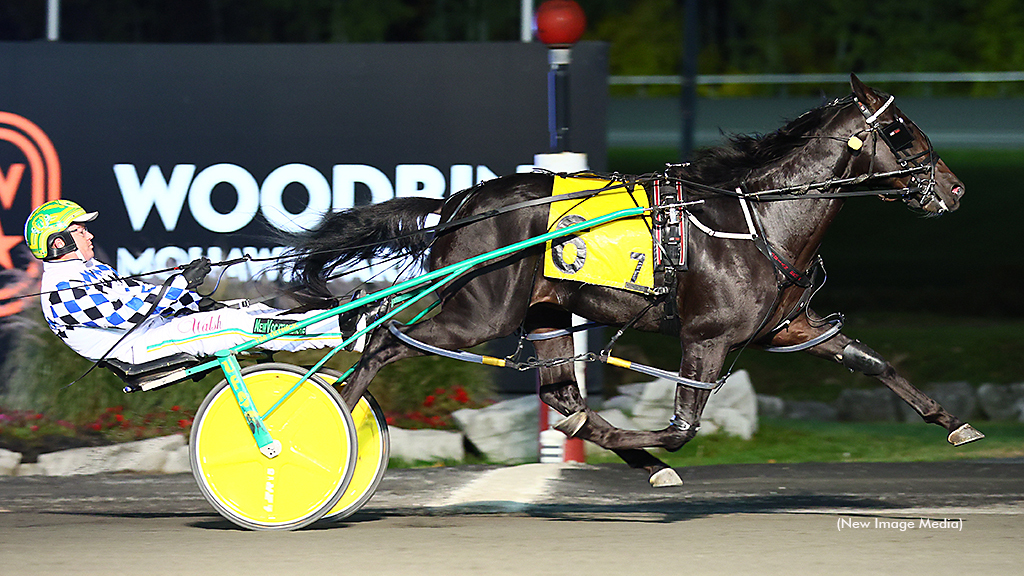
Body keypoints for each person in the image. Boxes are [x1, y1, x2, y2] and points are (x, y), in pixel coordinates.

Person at [25, 199, 369, 365]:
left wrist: (198, 299)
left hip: (155, 330)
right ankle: (341, 333)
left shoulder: (87, 269)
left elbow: (141, 295)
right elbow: (130, 314)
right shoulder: (60, 291)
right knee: (232, 324)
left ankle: (334, 321)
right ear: (58, 243)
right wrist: (180, 284)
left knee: (249, 312)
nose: (89, 234)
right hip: (139, 347)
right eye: (80, 230)